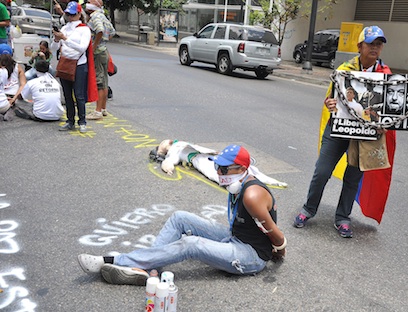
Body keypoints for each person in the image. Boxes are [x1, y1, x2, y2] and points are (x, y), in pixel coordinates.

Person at [78, 145, 286, 285]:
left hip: (250, 255)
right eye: (217, 167)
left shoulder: (251, 195)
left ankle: (116, 260)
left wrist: (279, 253)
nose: (218, 173)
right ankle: (148, 269)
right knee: (179, 218)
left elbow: (276, 236)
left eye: (223, 169)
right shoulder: (237, 183)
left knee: (191, 244)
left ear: (241, 168)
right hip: (235, 237)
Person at [293, 26, 397, 238]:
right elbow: (331, 99)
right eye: (370, 44)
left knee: (353, 178)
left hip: (364, 137)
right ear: (360, 46)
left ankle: (342, 218)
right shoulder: (344, 69)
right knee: (321, 172)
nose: (375, 48)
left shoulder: (385, 76)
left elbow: (388, 110)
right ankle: (308, 209)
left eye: (379, 44)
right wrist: (330, 103)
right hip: (338, 130)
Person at [152, 139, 288, 187]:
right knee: (219, 172)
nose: (162, 147)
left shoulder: (177, 146)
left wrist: (166, 164)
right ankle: (247, 179)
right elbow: (170, 161)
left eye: (163, 145)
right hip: (203, 159)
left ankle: (249, 179)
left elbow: (170, 160)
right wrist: (167, 164)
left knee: (220, 171)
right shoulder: (177, 148)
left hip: (204, 159)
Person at [51, 1, 93, 133]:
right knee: (67, 95)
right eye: (68, 14)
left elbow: (82, 47)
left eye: (73, 15)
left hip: (79, 64)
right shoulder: (65, 27)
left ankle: (82, 121)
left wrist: (65, 38)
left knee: (79, 95)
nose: (70, 17)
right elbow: (54, 48)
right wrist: (57, 39)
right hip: (65, 62)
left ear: (79, 14)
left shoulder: (84, 29)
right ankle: (70, 121)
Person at [85, 0, 115, 120]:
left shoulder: (95, 16)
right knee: (104, 80)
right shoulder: (102, 16)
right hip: (103, 50)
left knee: (99, 81)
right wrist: (103, 42)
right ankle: (103, 108)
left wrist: (94, 45)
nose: (87, 3)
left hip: (97, 52)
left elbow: (100, 30)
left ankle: (97, 111)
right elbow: (112, 32)